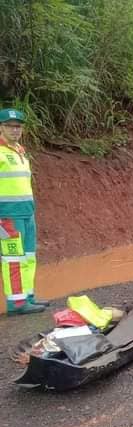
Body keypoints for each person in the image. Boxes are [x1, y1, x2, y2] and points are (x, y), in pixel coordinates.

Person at [0, 108, 48, 315]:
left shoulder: (19, 150)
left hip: (27, 213)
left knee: (29, 257)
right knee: (13, 259)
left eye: (18, 126)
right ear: (1, 128)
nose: (14, 130)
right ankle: (16, 302)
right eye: (10, 126)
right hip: (8, 216)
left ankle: (28, 296)